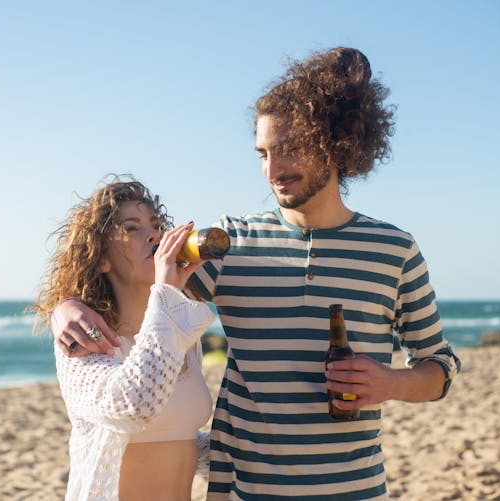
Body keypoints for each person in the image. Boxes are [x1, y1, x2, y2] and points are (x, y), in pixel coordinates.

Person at [52, 48, 462, 499]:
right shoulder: (230, 244)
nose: (272, 170)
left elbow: (439, 366)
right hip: (245, 491)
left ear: (335, 143)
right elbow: (136, 282)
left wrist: (391, 383)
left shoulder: (394, 249)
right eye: (263, 153)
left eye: (288, 149)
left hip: (356, 489)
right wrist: (65, 307)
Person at [33, 179, 215, 501]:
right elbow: (136, 405)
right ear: (101, 258)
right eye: (131, 228)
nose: (154, 235)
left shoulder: (181, 337)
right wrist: (166, 293)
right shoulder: (84, 342)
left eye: (156, 226)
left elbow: (175, 435)